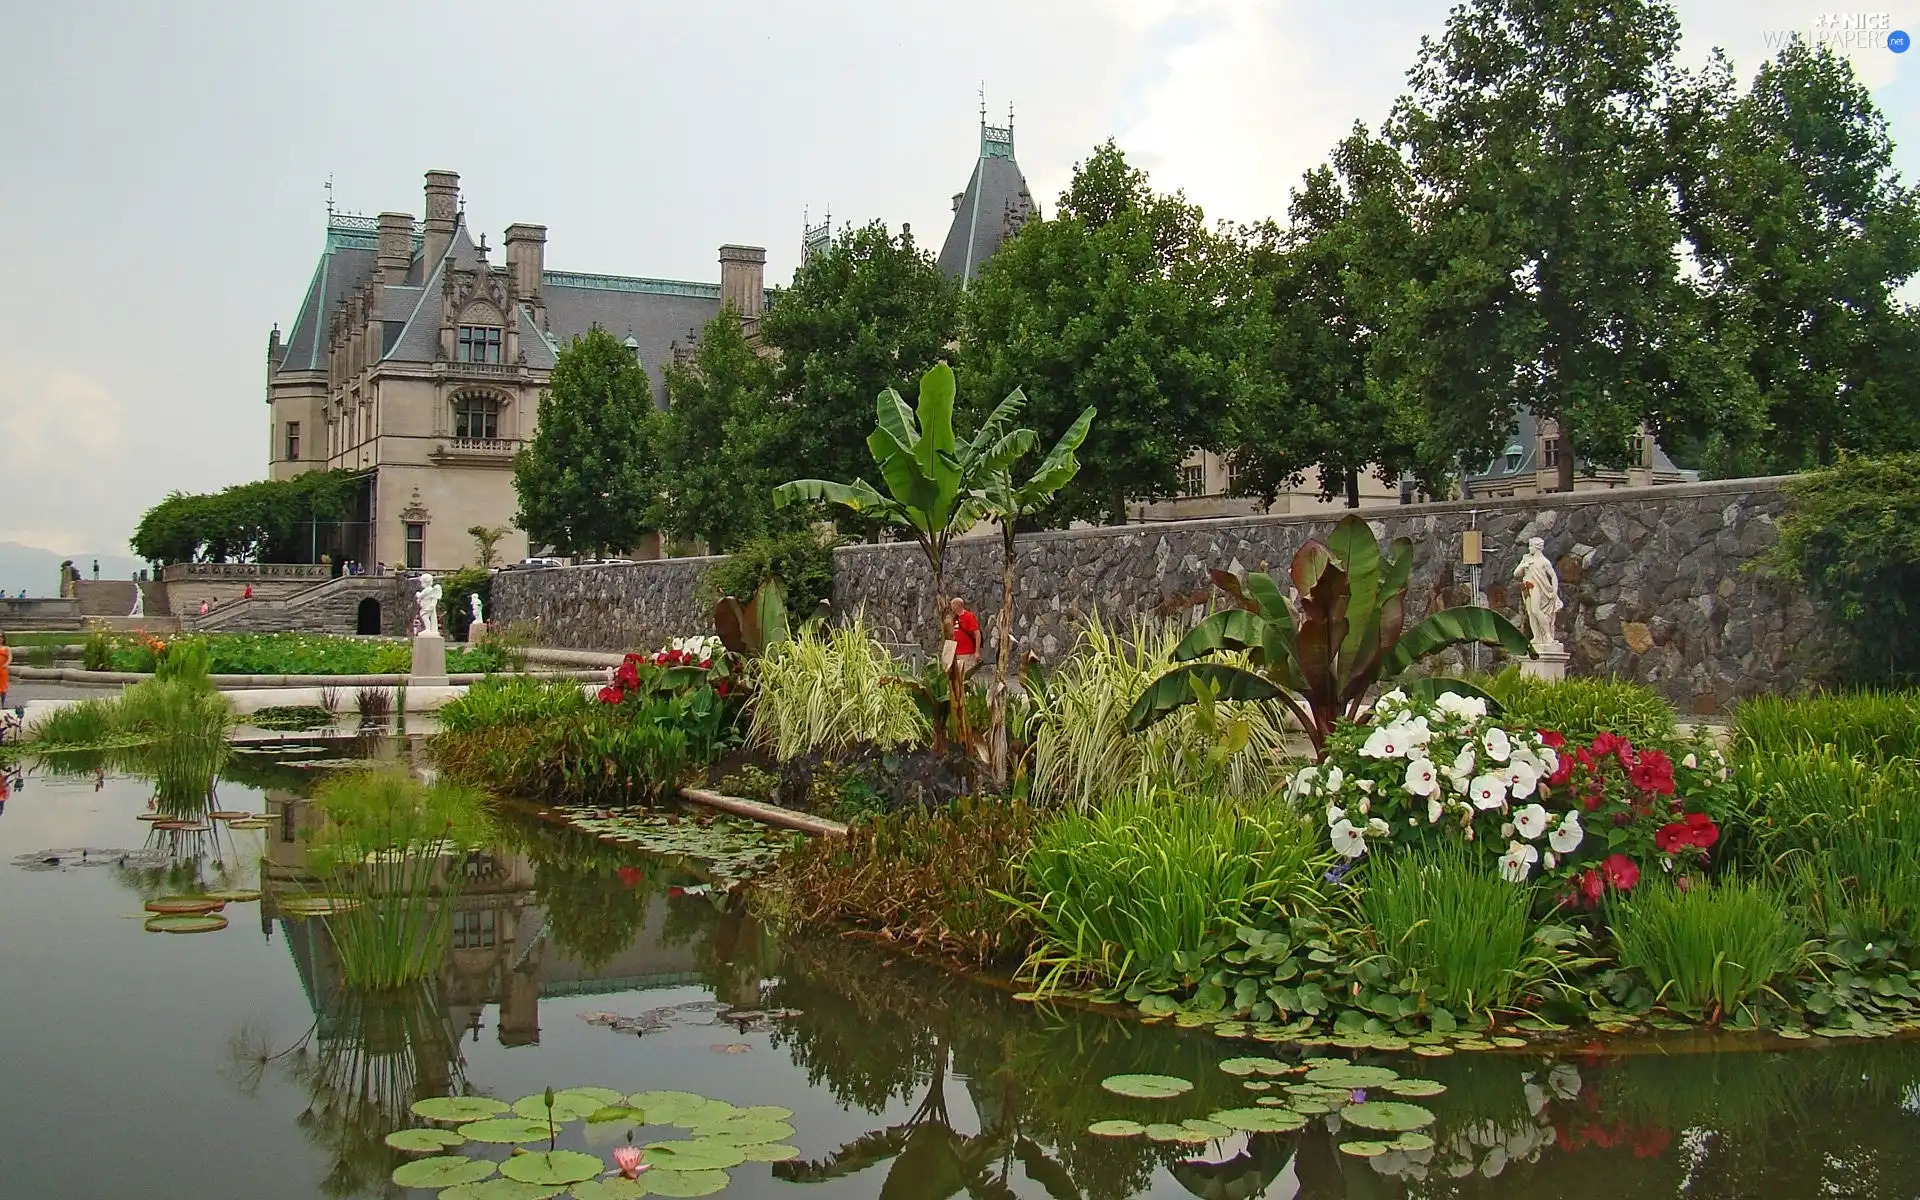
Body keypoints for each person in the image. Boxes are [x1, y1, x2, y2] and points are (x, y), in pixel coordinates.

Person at [945, 596, 981, 679]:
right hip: (956, 653)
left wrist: (977, 651)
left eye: (952, 605)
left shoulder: (969, 616)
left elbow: (977, 634)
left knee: (967, 676)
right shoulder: (953, 618)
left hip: (967, 653)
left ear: (956, 606)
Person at [0, 630, 11, 709]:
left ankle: (2, 704)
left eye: (1, 637)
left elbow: (10, 657)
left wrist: (6, 664)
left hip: (3, 669)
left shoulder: (6, 648)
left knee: (3, 687)